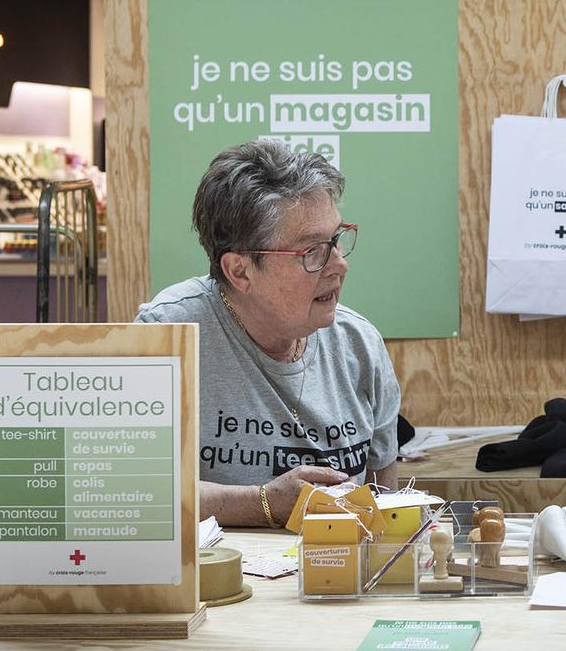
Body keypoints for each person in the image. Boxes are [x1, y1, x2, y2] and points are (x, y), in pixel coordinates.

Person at [136, 140, 401, 527]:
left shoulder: (359, 344)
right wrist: (263, 502)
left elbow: (385, 506)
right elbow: (135, 490)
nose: (339, 265)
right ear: (239, 271)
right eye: (311, 251)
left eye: (336, 239)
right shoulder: (167, 336)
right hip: (216, 565)